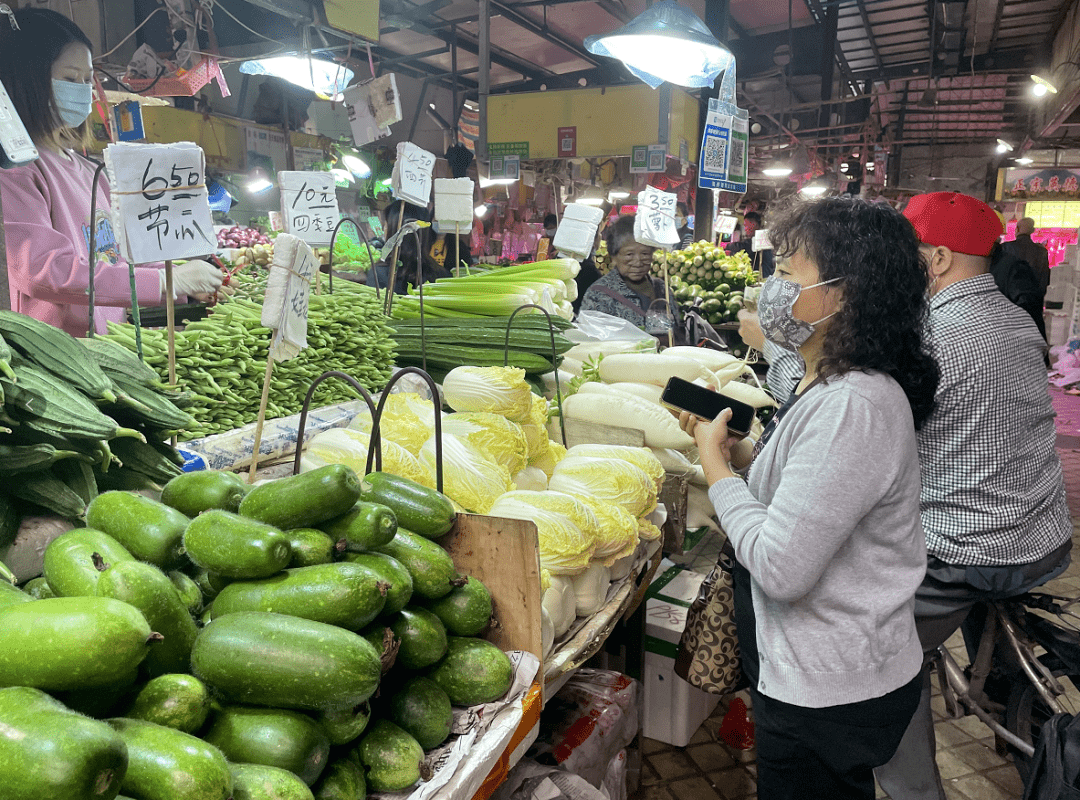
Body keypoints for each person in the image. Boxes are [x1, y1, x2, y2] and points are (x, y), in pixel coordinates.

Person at [681, 195, 938, 800]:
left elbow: (780, 566)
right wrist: (744, 458)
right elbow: (811, 490)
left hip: (830, 687)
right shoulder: (831, 382)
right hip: (827, 670)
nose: (774, 288)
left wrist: (716, 469)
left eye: (790, 272)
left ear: (842, 293)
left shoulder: (854, 404)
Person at [875, 193, 1072, 800]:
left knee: (881, 661)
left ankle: (914, 792)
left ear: (933, 260)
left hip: (965, 552)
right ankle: (1032, 739)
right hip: (1043, 536)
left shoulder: (929, 333)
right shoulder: (1018, 319)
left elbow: (869, 426)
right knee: (989, 618)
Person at [0, 8, 225, 338]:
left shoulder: (92, 173)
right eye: (68, 78)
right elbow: (43, 271)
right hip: (58, 364)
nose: (82, 89)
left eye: (86, 79)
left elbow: (116, 260)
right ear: (28, 79)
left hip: (108, 353)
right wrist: (165, 281)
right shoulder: (18, 172)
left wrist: (182, 278)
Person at [579, 214, 682, 342]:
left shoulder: (661, 289)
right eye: (629, 254)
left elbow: (675, 332)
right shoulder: (597, 295)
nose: (638, 262)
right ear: (614, 256)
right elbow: (589, 343)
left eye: (645, 253)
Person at [366, 200, 451, 294]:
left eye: (385, 226)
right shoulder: (442, 275)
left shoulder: (379, 274)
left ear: (392, 231)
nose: (384, 231)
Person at [1003, 216, 1051, 340]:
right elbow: (1044, 279)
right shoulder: (1041, 251)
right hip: (1034, 305)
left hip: (1008, 305)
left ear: (1017, 229)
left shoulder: (1005, 248)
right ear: (1033, 230)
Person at [727, 210, 775, 278]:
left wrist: (727, 246)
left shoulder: (760, 238)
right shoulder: (760, 237)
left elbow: (743, 246)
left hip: (763, 277)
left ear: (754, 224)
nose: (745, 229)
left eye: (746, 225)